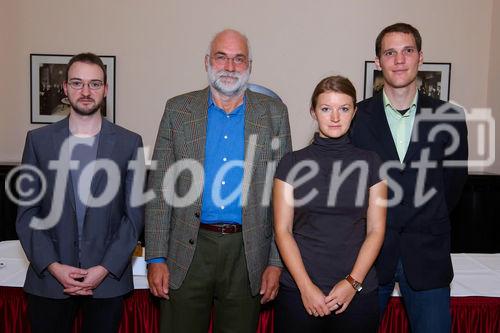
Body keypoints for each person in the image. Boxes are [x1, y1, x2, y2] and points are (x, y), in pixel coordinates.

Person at [145, 29, 292, 332]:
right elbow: (161, 189)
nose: (230, 66)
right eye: (221, 57)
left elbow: (283, 199)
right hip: (187, 248)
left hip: (248, 250)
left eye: (239, 59)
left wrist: (276, 263)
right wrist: (155, 257)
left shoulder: (274, 114)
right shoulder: (178, 111)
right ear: (207, 61)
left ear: (249, 65)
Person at [350, 23, 468, 333]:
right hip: (369, 258)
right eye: (390, 52)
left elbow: (453, 186)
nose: (399, 60)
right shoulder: (356, 117)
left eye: (407, 51)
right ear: (378, 61)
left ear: (420, 57)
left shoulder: (450, 118)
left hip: (428, 256)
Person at [16, 52, 145, 333]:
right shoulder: (38, 142)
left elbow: (134, 216)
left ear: (105, 89)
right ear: (65, 88)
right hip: (49, 282)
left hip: (106, 282)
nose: (86, 92)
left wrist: (103, 269)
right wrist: (53, 266)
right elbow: (27, 214)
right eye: (77, 83)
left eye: (94, 84)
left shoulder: (129, 143)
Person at [273, 76, 387, 333]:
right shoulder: (290, 164)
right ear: (313, 112)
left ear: (354, 112)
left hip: (357, 293)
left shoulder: (372, 163)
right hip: (299, 292)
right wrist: (306, 287)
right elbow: (282, 230)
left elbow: (376, 230)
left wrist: (352, 283)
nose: (335, 117)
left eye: (344, 109)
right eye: (326, 108)